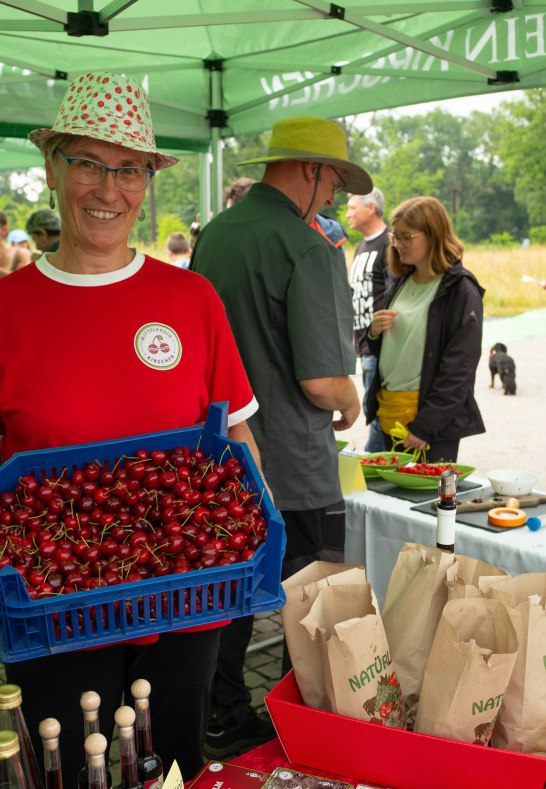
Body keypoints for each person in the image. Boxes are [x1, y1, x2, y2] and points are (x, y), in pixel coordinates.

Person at [0, 71, 264, 786]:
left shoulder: (191, 299)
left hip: (187, 594)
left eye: (129, 169)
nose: (108, 189)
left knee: (172, 760)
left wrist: (256, 537)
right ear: (52, 167)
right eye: (88, 162)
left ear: (149, 179)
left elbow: (236, 442)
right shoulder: (8, 308)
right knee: (66, 761)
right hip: (52, 602)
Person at [191, 115, 368, 753]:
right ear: (311, 169)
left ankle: (220, 716)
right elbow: (322, 380)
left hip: (223, 455)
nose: (335, 196)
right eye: (334, 180)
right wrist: (352, 400)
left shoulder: (216, 233)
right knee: (311, 600)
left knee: (230, 595)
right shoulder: (306, 246)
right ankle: (309, 725)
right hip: (294, 463)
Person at [365, 195, 485, 462]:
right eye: (395, 237)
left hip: (430, 427)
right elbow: (393, 349)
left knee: (441, 488)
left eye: (407, 237)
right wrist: (373, 332)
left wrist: (425, 427)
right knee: (391, 489)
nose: (398, 245)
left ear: (434, 235)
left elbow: (460, 368)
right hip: (391, 415)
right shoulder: (401, 281)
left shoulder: (461, 290)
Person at [347, 188, 391, 453]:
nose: (347, 214)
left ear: (371, 208)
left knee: (376, 410)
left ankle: (372, 460)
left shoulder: (389, 243)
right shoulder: (360, 247)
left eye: (352, 208)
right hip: (364, 345)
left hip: (382, 346)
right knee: (370, 408)